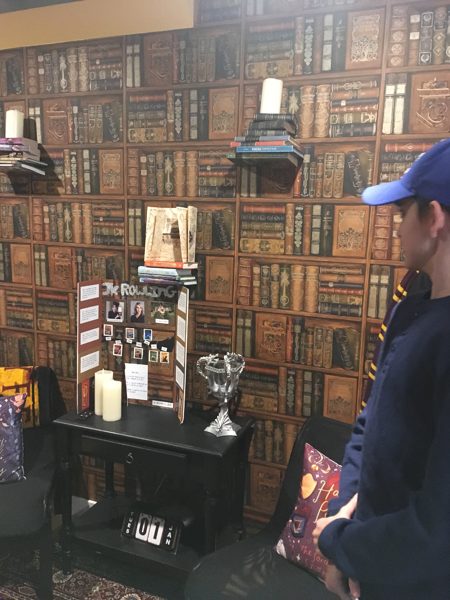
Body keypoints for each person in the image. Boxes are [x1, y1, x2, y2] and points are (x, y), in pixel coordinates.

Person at [312, 139, 450, 600]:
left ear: (434, 217)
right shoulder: (410, 308)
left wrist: (340, 544)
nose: (396, 228)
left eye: (402, 212)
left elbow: (438, 529)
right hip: (372, 561)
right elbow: (371, 426)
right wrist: (346, 526)